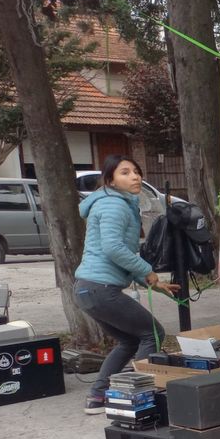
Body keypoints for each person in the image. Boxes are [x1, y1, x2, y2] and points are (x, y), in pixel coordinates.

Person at [74, 155, 178, 414]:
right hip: (100, 290)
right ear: (110, 180)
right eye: (125, 172)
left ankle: (97, 397)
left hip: (88, 289)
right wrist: (147, 270)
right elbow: (113, 248)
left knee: (129, 341)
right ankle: (138, 395)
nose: (135, 177)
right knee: (152, 333)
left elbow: (118, 257)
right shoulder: (114, 205)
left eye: (136, 171)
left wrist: (152, 283)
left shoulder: (112, 203)